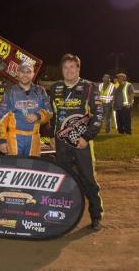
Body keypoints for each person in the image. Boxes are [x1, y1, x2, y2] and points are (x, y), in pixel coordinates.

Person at [49, 53, 104, 230]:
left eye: (73, 67)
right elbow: (52, 115)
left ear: (78, 69)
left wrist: (86, 137)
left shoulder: (89, 87)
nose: (69, 70)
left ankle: (96, 216)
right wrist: (51, 136)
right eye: (66, 67)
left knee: (88, 179)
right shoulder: (55, 87)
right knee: (64, 180)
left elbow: (98, 115)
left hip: (81, 143)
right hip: (61, 143)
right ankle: (64, 217)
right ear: (62, 70)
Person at [0, 61, 53, 156]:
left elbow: (49, 112)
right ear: (18, 73)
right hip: (14, 139)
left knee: (32, 168)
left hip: (34, 139)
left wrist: (38, 116)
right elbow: (2, 117)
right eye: (22, 71)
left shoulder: (40, 91)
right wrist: (2, 140)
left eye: (28, 72)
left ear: (33, 74)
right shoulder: (10, 91)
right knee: (14, 168)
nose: (25, 75)